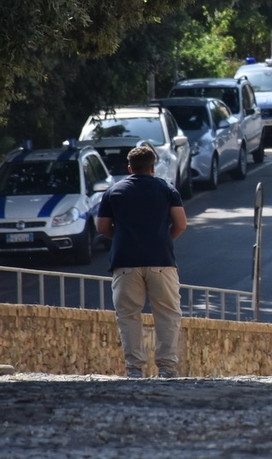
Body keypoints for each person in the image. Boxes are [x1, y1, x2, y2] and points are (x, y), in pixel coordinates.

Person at [96, 145, 187, 379]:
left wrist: (121, 238)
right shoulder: (167, 189)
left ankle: (134, 368)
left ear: (130, 168)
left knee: (128, 315)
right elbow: (180, 223)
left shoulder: (114, 192)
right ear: (152, 167)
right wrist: (164, 239)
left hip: (125, 261)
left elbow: (102, 227)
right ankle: (167, 367)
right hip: (161, 260)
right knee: (167, 314)